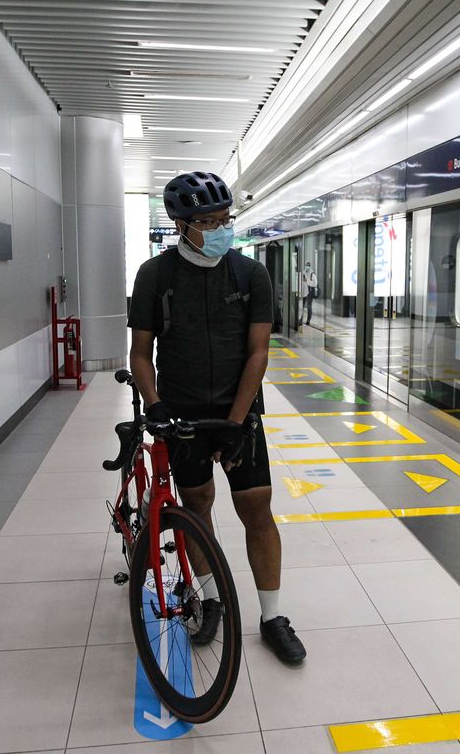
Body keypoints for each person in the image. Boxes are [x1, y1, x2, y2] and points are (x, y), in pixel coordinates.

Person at [127, 171, 307, 664]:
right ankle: (209, 599)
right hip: (180, 412)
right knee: (197, 507)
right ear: (180, 224)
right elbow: (141, 353)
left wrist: (236, 420)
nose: (219, 229)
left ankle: (272, 617)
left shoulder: (250, 276)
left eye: (225, 220)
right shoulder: (154, 276)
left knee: (256, 508)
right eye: (207, 221)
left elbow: (258, 353)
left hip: (239, 412)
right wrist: (157, 405)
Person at [299, 262, 318, 326]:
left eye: (308, 265)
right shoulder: (304, 272)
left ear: (309, 266)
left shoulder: (312, 274)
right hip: (304, 292)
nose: (307, 266)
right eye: (306, 265)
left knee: (309, 306)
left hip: (310, 292)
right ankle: (301, 319)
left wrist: (307, 281)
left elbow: (315, 283)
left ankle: (308, 321)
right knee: (303, 306)